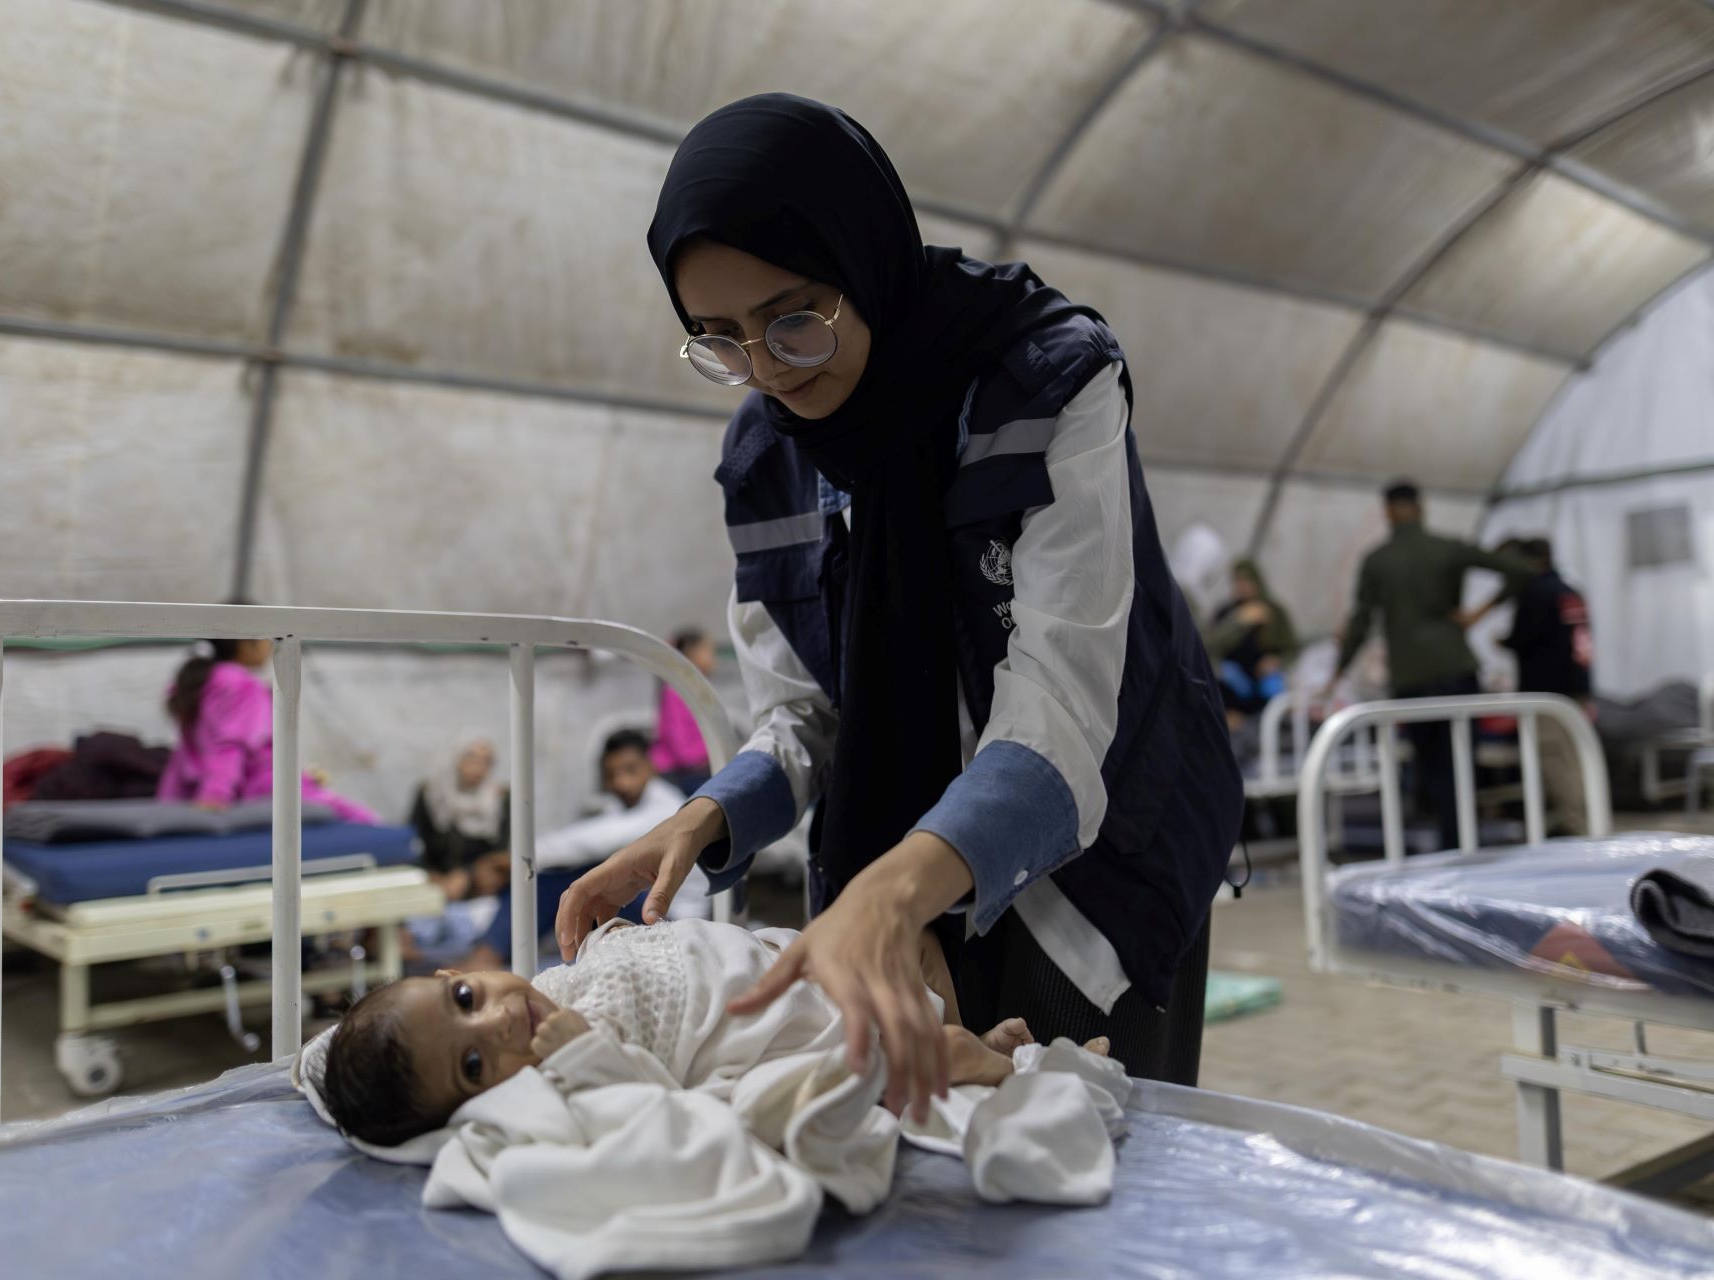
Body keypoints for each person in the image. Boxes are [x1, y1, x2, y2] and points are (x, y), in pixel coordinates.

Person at [556, 94, 1244, 1119]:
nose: (769, 371)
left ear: (864, 254)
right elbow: (803, 711)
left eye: (794, 317)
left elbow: (1059, 701)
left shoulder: (1047, 382)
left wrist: (888, 891)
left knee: (1088, 1161)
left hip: (1098, 871)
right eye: (720, 339)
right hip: (899, 883)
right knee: (917, 1183)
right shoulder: (766, 459)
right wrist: (704, 818)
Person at [316, 916, 1048, 1147]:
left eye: (468, 999)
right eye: (475, 1064)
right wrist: (590, 1057)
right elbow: (656, 1110)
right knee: (897, 1053)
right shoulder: (568, 1073)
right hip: (776, 1024)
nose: (502, 1021)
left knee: (912, 938)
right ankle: (993, 1064)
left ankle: (965, 1035)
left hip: (776, 959)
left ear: (454, 975)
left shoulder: (547, 986)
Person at [1323, 481, 1530, 850]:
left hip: (1412, 677)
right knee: (1462, 764)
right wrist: (1477, 614)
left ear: (1388, 511)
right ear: (1420, 508)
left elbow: (1360, 622)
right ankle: (1465, 841)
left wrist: (1337, 672)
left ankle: (1449, 848)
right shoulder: (1447, 549)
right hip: (1456, 668)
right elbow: (1520, 570)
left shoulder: (1378, 561)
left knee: (1432, 769)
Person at [465, 730, 696, 968]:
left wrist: (511, 860)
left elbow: (588, 842)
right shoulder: (620, 807)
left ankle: (489, 953)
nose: (620, 783)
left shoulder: (666, 809)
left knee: (563, 881)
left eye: (630, 770)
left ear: (652, 766)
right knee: (564, 879)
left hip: (671, 919)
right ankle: (497, 950)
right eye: (611, 774)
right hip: (647, 911)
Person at [157, 638, 378, 823]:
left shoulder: (203, 681)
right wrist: (214, 796)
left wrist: (167, 805)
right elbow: (230, 745)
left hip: (228, 789)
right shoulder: (239, 684)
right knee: (365, 822)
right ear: (246, 644)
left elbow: (186, 752)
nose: (271, 645)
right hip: (263, 789)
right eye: (267, 638)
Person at [1499, 537, 1594, 836]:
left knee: (1555, 758)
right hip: (1575, 686)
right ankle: (1585, 815)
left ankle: (1574, 822)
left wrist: (1503, 641)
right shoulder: (1568, 591)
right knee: (1574, 756)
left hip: (1548, 691)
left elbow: (1523, 638)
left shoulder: (1536, 594)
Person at [411, 739, 509, 899]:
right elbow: (414, 840)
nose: (478, 768)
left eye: (486, 761)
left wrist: (468, 874)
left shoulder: (498, 800)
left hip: (476, 887)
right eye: (472, 758)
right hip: (431, 880)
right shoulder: (430, 794)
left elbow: (499, 852)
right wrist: (431, 874)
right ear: (457, 759)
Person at [1207, 558, 1297, 726]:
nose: (1243, 586)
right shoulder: (1227, 612)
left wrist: (1276, 662)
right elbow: (1210, 645)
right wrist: (1239, 621)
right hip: (1234, 684)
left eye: (1247, 580)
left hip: (1265, 681)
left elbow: (1291, 649)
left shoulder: (1274, 611)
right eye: (1238, 580)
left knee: (1275, 697)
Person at [650, 629, 717, 795]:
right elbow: (679, 744)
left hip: (694, 767)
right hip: (678, 773)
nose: (713, 659)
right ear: (690, 653)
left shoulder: (699, 689)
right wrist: (708, 754)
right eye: (707, 651)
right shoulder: (676, 691)